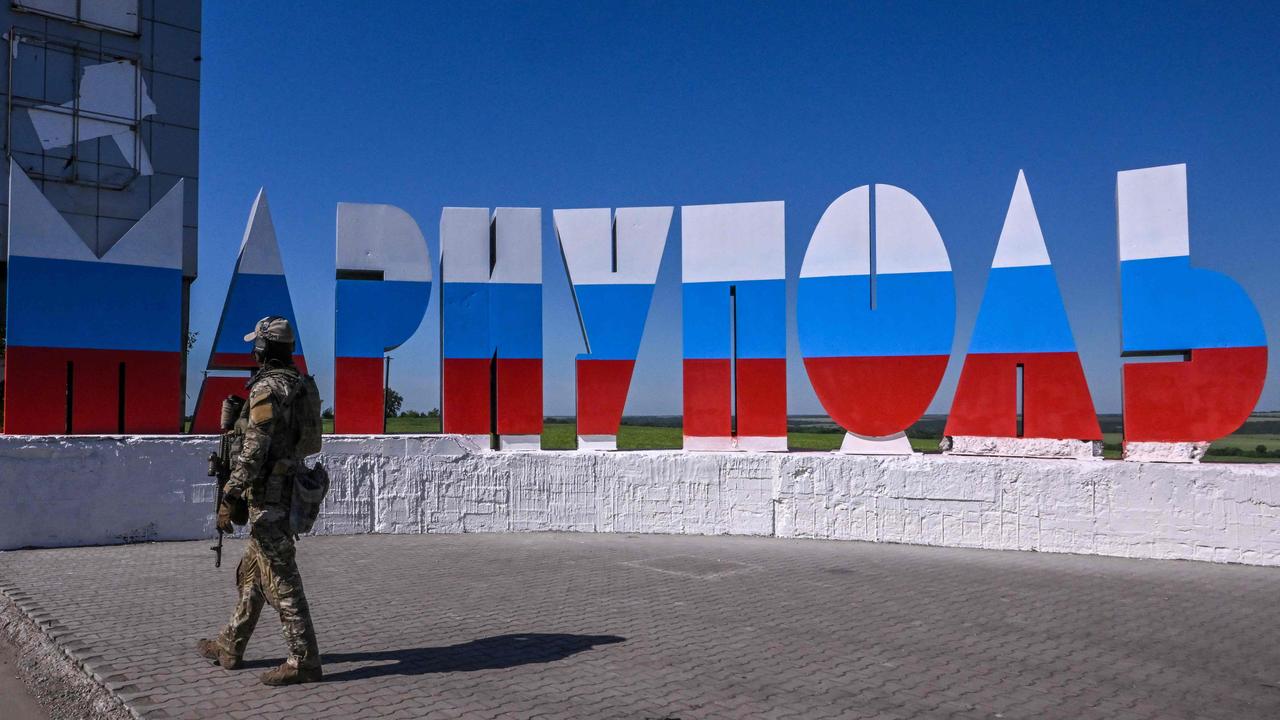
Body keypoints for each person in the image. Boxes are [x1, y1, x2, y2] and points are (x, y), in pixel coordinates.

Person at [196, 316, 323, 685]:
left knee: (283, 579)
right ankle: (230, 646)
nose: (253, 349)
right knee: (252, 576)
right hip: (286, 489)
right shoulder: (298, 384)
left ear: (265, 347)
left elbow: (254, 449)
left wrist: (230, 493)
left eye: (257, 344)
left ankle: (304, 660)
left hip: (269, 497)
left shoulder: (268, 388)